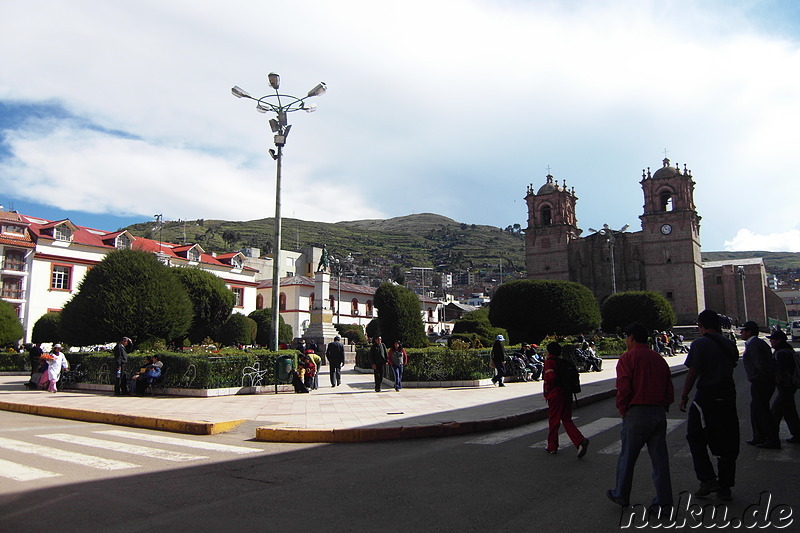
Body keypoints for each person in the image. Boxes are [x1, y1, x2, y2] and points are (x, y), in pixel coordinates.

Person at [607, 323, 674, 508]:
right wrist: (664, 406)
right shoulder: (659, 358)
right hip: (658, 412)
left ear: (631, 338)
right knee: (660, 462)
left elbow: (624, 387)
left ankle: (621, 494)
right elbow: (669, 387)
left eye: (626, 338)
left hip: (637, 413)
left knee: (627, 458)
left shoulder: (628, 358)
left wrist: (623, 409)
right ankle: (664, 503)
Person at [679, 310, 740, 501]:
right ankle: (725, 486)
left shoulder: (700, 344)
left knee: (695, 437)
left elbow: (693, 372)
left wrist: (683, 396)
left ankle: (707, 479)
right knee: (727, 441)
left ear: (701, 325)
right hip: (728, 397)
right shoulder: (729, 344)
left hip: (707, 398)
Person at [543, 341, 589, 457]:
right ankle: (580, 440)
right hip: (567, 393)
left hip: (556, 395)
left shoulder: (550, 362)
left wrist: (548, 391)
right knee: (567, 419)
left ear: (549, 352)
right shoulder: (563, 362)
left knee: (554, 421)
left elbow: (550, 378)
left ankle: (552, 446)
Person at [740, 320, 780, 448]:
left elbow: (760, 364)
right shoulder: (756, 343)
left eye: (743, 330)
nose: (741, 333)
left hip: (761, 382)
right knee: (757, 409)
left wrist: (762, 378)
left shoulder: (754, 344)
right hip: (762, 381)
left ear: (749, 332)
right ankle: (759, 436)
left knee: (762, 411)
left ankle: (770, 439)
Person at [767, 329, 800, 444]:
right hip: (789, 386)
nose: (771, 341)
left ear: (778, 341)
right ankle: (796, 434)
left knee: (776, 413)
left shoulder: (781, 353)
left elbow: (782, 370)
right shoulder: (787, 350)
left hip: (785, 386)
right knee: (789, 411)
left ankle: (772, 439)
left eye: (772, 339)